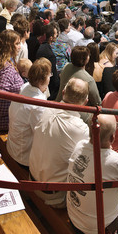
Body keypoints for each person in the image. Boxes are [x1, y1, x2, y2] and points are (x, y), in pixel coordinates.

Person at [29, 78, 90, 208]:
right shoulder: (81, 129)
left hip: (32, 179)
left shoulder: (45, 109)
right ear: (85, 102)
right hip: (54, 195)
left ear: (63, 93)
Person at [8, 58, 51, 168]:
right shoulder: (39, 104)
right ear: (42, 80)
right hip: (22, 155)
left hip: (13, 144)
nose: (50, 77)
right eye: (49, 75)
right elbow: (41, 133)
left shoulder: (25, 86)